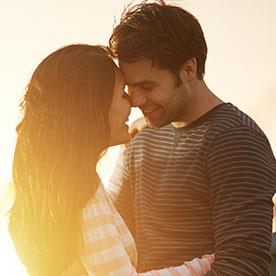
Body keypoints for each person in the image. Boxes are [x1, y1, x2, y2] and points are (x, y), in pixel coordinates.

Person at [8, 44, 214, 276]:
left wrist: (136, 141)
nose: (133, 102)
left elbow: (102, 232)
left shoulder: (54, 187)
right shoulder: (82, 190)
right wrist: (209, 262)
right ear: (93, 107)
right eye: (123, 93)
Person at [107, 1, 276, 275]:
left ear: (188, 69)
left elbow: (243, 267)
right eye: (130, 88)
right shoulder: (142, 137)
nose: (136, 100)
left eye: (147, 86)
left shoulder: (236, 141)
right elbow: (111, 239)